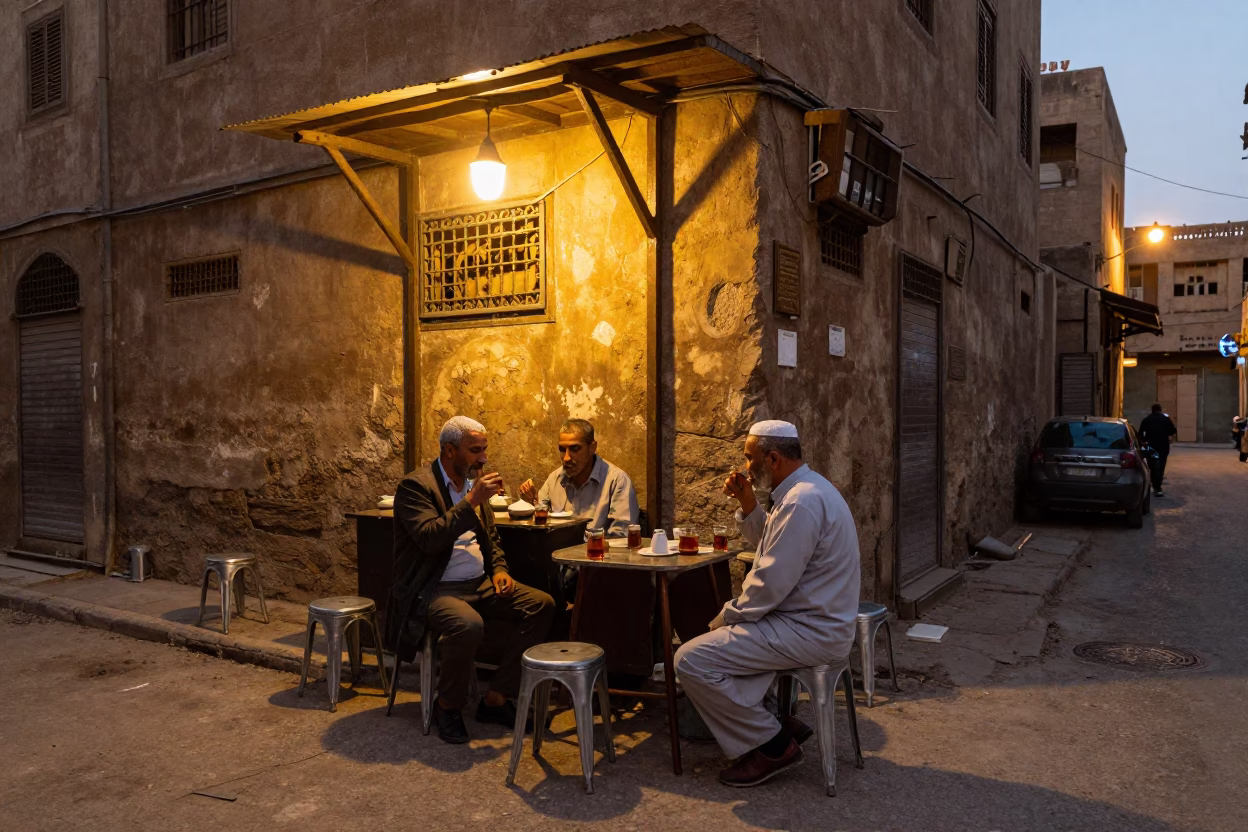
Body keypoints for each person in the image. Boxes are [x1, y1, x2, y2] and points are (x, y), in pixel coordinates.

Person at [674, 420, 861, 788]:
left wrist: (725, 617)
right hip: (809, 622)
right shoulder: (805, 490)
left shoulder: (801, 502)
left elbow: (769, 585)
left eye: (750, 459)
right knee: (730, 644)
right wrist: (748, 503)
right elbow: (775, 545)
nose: (745, 467)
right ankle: (776, 720)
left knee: (691, 659)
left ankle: (772, 743)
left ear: (773, 458)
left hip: (811, 629)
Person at [386, 415, 554, 744]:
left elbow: (489, 537)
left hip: (479, 583)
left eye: (484, 449)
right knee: (468, 624)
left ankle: (496, 698)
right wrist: (471, 501)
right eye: (475, 450)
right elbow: (429, 538)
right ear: (449, 450)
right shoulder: (415, 487)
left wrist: (500, 570)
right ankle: (447, 706)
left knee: (541, 605)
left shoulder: (469, 483)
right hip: (433, 589)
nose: (483, 457)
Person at [518, 419, 639, 537]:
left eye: (575, 449)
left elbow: (622, 537)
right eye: (562, 449)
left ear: (592, 448)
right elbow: (539, 523)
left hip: (597, 555)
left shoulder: (617, 481)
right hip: (557, 553)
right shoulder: (555, 479)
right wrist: (531, 502)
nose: (566, 458)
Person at [1139, 404, 1178, 497]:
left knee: (1152, 465)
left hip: (1151, 446)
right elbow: (1172, 430)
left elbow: (1140, 433)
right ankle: (1158, 486)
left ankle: (1154, 483)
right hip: (1163, 445)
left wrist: (1144, 441)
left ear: (1152, 410)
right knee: (1161, 465)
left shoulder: (1147, 419)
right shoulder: (1165, 419)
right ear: (1160, 410)